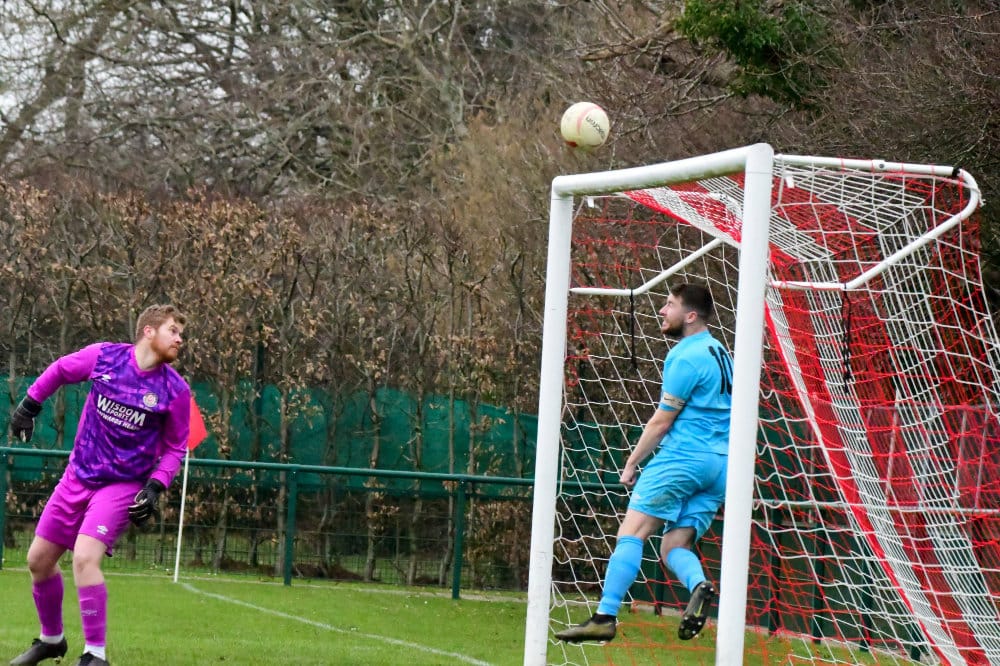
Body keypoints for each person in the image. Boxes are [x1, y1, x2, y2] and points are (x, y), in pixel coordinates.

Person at [8, 304, 191, 666]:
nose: (179, 339)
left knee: (84, 558)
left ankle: (95, 655)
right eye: (173, 330)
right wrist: (29, 404)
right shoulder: (105, 357)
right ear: (149, 331)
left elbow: (175, 448)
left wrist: (155, 487)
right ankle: (51, 640)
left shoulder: (175, 390)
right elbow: (61, 369)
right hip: (77, 475)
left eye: (181, 334)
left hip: (121, 485)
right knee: (38, 561)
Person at [556, 283, 732, 643]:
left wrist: (632, 462)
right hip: (721, 466)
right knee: (673, 547)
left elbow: (662, 421)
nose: (662, 311)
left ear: (691, 315)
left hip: (684, 459)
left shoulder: (685, 356)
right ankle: (699, 585)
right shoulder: (721, 352)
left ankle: (604, 616)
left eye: (669, 304)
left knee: (632, 533)